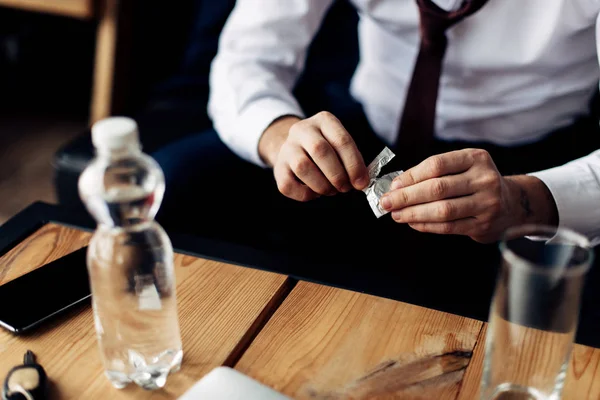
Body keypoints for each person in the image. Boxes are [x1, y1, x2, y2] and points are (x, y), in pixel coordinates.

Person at [154, 0, 600, 256]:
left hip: (540, 163)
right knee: (172, 188)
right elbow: (248, 57)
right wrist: (280, 136)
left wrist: (523, 201)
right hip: (360, 139)